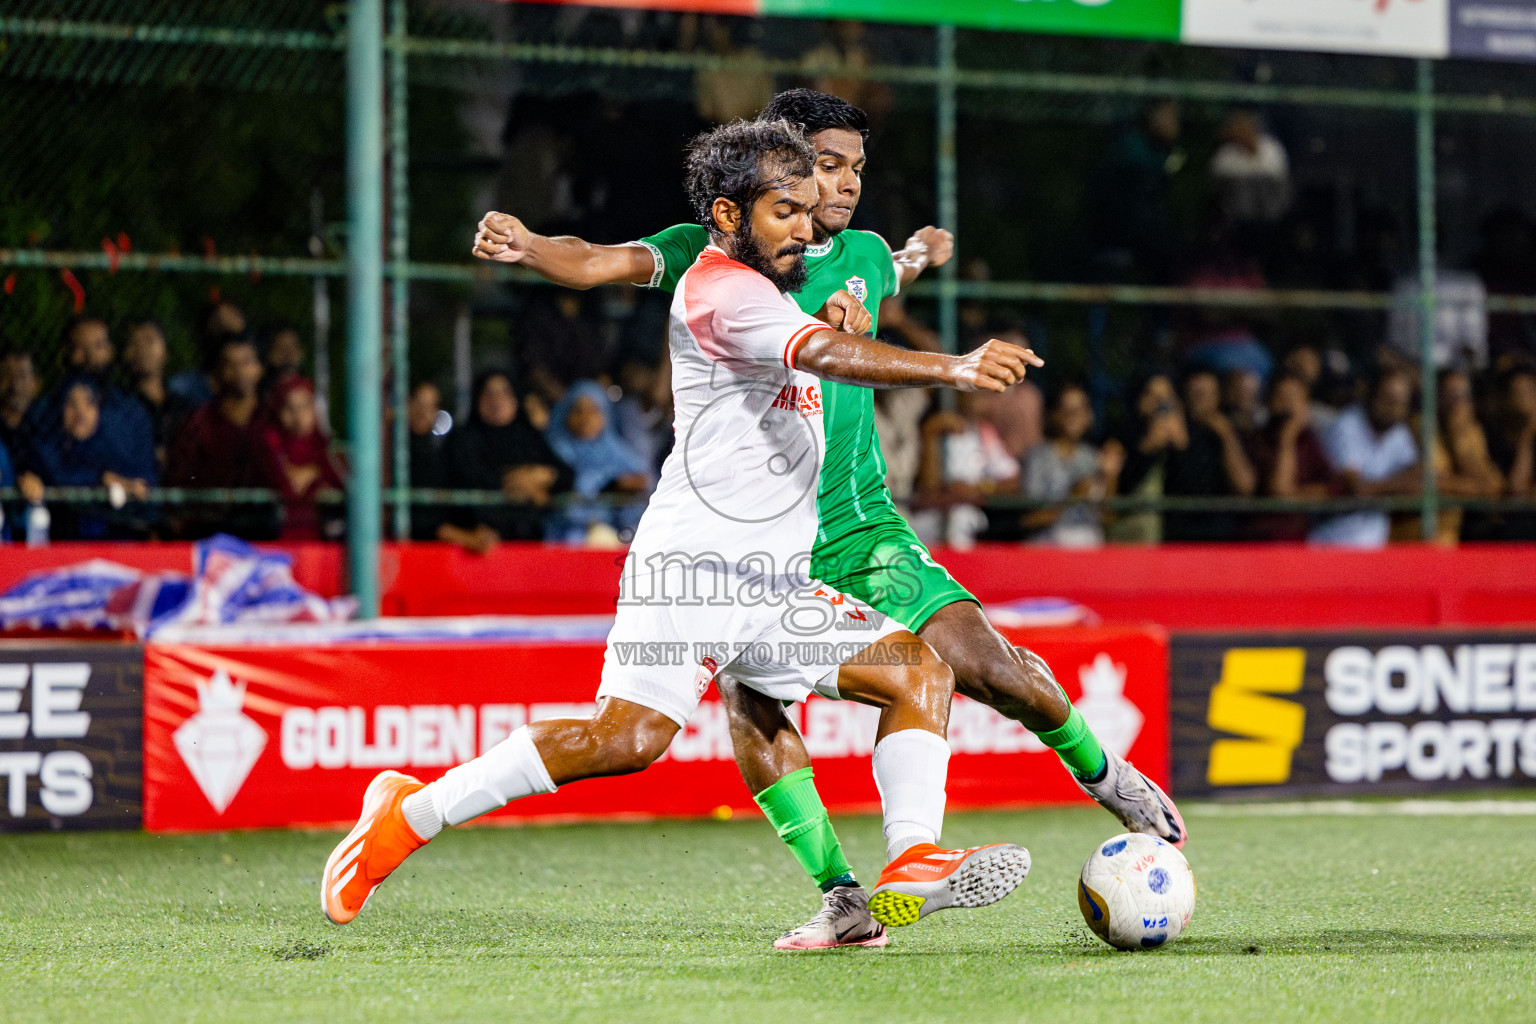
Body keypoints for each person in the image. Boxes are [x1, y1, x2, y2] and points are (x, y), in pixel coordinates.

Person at [472, 89, 1183, 949]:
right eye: (828, 165)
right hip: (757, 537)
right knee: (753, 701)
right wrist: (529, 244)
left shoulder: (865, 254)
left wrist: (922, 249)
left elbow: (896, 269)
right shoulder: (719, 253)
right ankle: (844, 895)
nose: (843, 185)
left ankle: (1104, 774)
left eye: (855, 168)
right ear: (786, 163)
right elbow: (596, 261)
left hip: (858, 528)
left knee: (987, 667)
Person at [326, 118, 1043, 937]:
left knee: (918, 673)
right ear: (731, 216)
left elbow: (862, 294)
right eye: (785, 212)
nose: (806, 230)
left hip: (773, 582)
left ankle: (909, 861)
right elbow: (823, 355)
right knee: (625, 740)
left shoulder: (779, 278)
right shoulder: (721, 291)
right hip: (695, 569)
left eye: (810, 211)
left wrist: (906, 261)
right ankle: (407, 814)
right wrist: (951, 366)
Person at [166, 333, 279, 540]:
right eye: (230, 364)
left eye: (246, 362)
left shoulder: (274, 418)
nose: (239, 372)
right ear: (217, 372)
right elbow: (180, 473)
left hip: (268, 527)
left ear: (260, 369)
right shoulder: (198, 420)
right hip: (209, 530)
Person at [444, 370, 571, 543]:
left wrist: (543, 476)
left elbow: (567, 475)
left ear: (515, 399)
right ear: (477, 399)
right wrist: (519, 485)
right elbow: (469, 476)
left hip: (530, 544)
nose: (496, 401)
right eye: (488, 393)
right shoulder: (463, 439)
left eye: (504, 393)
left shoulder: (529, 437)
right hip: (481, 542)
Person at [27, 380, 154, 539]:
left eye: (89, 403)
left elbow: (143, 490)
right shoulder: (45, 449)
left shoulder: (115, 451)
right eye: (71, 404)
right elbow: (56, 477)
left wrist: (125, 485)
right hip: (60, 543)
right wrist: (101, 479)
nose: (80, 413)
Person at [1312, 369, 1421, 548]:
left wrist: (1377, 487)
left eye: (1400, 402)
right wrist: (1399, 485)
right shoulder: (1346, 425)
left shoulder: (1397, 431)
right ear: (1371, 394)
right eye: (1387, 398)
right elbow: (1357, 488)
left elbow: (1419, 478)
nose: (1393, 407)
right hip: (1332, 545)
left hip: (1373, 548)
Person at [543, 379, 651, 545]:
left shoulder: (619, 454)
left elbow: (646, 484)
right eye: (577, 410)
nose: (585, 418)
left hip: (613, 541)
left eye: (593, 411)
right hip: (559, 542)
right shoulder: (552, 452)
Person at [1244, 372, 1341, 541]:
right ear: (1269, 401)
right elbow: (1279, 491)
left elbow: (1329, 488)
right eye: (1282, 397)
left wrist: (1294, 495)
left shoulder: (1308, 438)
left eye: (1295, 398)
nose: (1289, 405)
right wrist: (1286, 441)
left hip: (1305, 536)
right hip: (1264, 537)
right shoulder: (1257, 439)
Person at [1020, 383, 1118, 548]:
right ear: (1054, 414)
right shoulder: (1037, 458)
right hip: (1048, 552)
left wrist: (1110, 477)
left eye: (1080, 409)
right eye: (1067, 409)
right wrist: (1072, 497)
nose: (1073, 416)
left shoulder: (1092, 457)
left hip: (1089, 550)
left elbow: (1107, 519)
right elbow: (1028, 519)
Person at [259, 377, 343, 540]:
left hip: (325, 540)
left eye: (304, 406)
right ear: (277, 411)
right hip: (278, 537)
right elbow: (288, 483)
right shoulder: (269, 440)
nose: (298, 415)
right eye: (288, 407)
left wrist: (313, 473)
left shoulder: (326, 447)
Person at [123, 318, 196, 470]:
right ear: (125, 354)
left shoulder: (187, 408)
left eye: (149, 340)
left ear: (165, 350)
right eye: (134, 343)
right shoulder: (119, 408)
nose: (143, 350)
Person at [0, 349, 40, 474]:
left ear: (35, 383)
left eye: (22, 376)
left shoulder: (44, 423)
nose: (15, 385)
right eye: (7, 375)